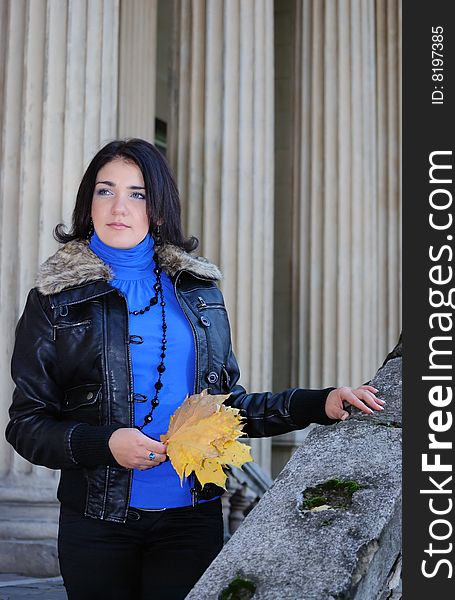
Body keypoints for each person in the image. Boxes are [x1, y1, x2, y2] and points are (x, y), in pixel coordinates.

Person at [5, 138, 384, 600]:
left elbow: (227, 409)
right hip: (97, 522)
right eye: (105, 191)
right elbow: (27, 425)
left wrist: (318, 403)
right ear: (89, 203)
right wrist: (103, 444)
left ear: (159, 210)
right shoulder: (54, 299)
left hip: (193, 517)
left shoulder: (199, 292)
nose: (118, 206)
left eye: (137, 193)